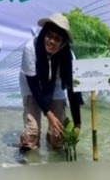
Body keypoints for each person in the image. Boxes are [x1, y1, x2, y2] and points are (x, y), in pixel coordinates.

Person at [19, 13, 83, 150]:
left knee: (58, 135)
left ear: (63, 43)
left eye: (57, 39)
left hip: (56, 85)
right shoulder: (30, 49)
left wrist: (78, 124)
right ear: (43, 34)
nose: (52, 41)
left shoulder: (69, 57)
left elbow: (73, 90)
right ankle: (26, 161)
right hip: (32, 86)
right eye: (49, 35)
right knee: (32, 132)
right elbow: (34, 87)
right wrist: (50, 116)